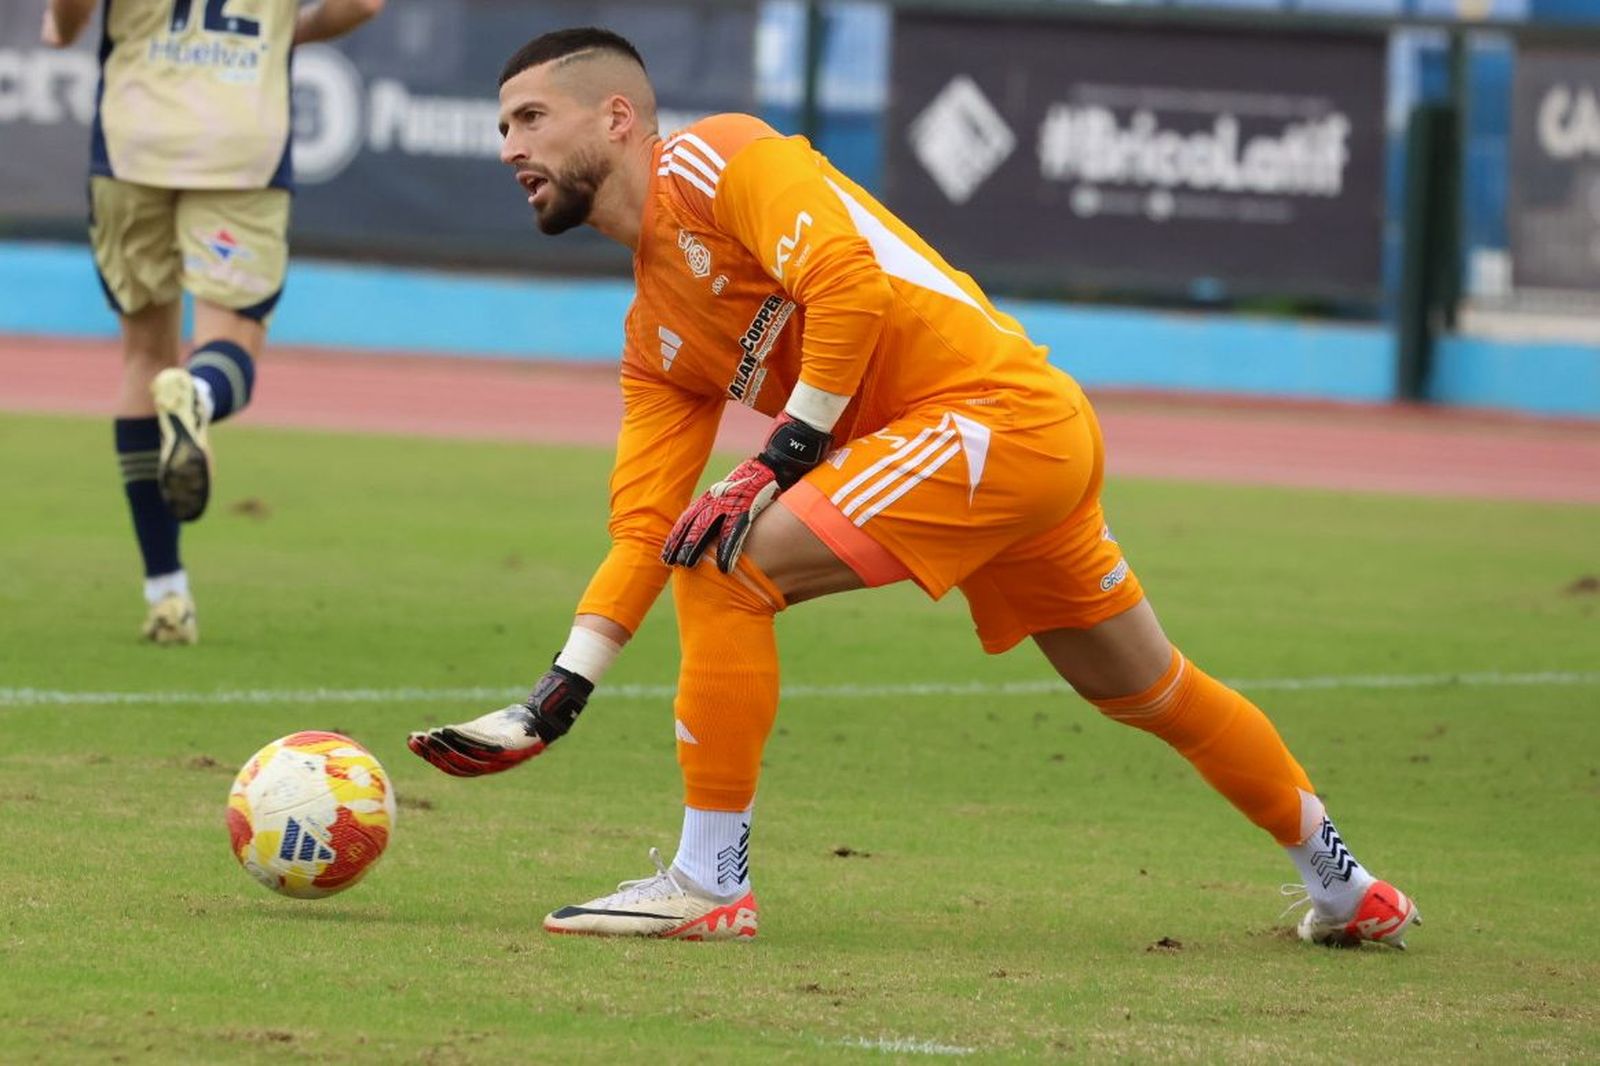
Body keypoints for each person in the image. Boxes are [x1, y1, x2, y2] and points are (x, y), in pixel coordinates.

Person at [408, 27, 1420, 948]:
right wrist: (552, 700)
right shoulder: (655, 338)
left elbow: (845, 279)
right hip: (1008, 446)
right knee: (1149, 689)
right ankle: (1349, 887)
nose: (509, 147)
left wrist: (776, 459)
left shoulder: (713, 158)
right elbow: (643, 527)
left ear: (616, 117)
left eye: (531, 118)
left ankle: (710, 879)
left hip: (994, 417)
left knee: (728, 564)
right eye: (502, 127)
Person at [42, 0, 384, 644]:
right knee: (230, 341)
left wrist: (61, 29)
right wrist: (291, 30)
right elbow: (363, 4)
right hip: (238, 143)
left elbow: (71, 10)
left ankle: (166, 593)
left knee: (144, 357)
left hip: (132, 141)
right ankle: (197, 396)